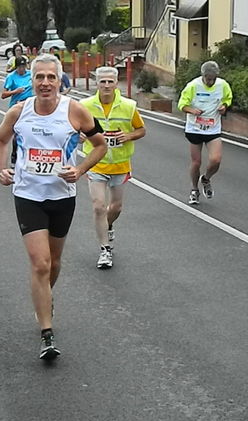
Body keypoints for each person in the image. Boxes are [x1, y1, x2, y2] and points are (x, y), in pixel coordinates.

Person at [0, 53, 107, 360]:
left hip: (62, 197)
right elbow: (0, 140)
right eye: (39, 77)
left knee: (54, 263)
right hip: (28, 195)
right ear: (32, 81)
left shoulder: (75, 111)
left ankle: (45, 296)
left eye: (50, 77)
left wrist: (80, 170)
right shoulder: (19, 112)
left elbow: (101, 145)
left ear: (60, 81)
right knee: (40, 263)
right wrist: (2, 168)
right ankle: (47, 333)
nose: (45, 83)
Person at [79, 66, 146, 269]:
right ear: (96, 83)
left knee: (115, 208)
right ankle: (104, 250)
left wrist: (128, 136)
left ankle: (108, 225)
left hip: (119, 164)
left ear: (116, 83)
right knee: (98, 206)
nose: (106, 85)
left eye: (110, 81)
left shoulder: (129, 106)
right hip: (95, 164)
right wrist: (78, 134)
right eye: (102, 82)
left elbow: (141, 130)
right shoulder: (84, 105)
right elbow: (73, 126)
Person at [177, 60, 232, 205]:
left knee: (216, 160)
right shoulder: (193, 86)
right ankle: (194, 190)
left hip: (213, 128)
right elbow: (182, 104)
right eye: (208, 79)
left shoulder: (223, 85)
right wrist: (192, 110)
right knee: (196, 162)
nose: (210, 82)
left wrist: (224, 107)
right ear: (203, 76)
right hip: (194, 128)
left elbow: (227, 99)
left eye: (213, 79)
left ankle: (206, 178)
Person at [1, 56, 33, 167]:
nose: (22, 69)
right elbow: (3, 95)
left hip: (30, 107)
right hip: (16, 107)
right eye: (20, 67)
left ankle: (28, 156)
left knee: (31, 132)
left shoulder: (31, 75)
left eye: (23, 66)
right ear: (16, 67)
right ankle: (14, 156)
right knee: (17, 133)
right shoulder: (11, 77)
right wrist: (15, 91)